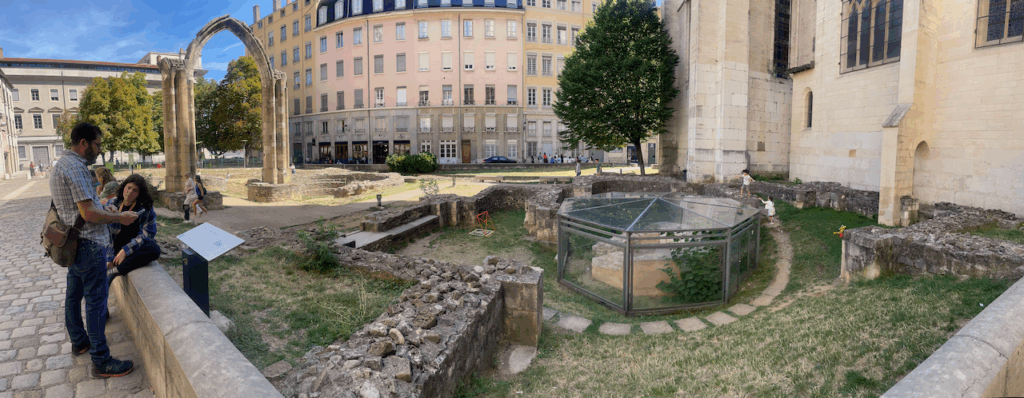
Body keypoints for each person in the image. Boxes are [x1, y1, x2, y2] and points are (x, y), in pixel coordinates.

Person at [50, 122, 137, 378]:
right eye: (97, 144)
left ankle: (80, 341)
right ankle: (101, 360)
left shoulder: (62, 165)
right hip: (89, 244)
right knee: (96, 303)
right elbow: (87, 213)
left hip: (75, 242)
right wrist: (120, 217)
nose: (99, 150)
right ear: (84, 143)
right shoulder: (75, 167)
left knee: (73, 295)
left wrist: (105, 208)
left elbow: (85, 205)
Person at [106, 174, 162, 285]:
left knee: (154, 249)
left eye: (135, 190)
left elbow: (148, 233)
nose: (130, 192)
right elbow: (106, 233)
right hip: (114, 247)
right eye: (129, 188)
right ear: (123, 187)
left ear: (139, 194)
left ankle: (116, 271)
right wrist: (109, 257)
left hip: (133, 247)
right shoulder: (113, 203)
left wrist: (126, 251)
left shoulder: (145, 209)